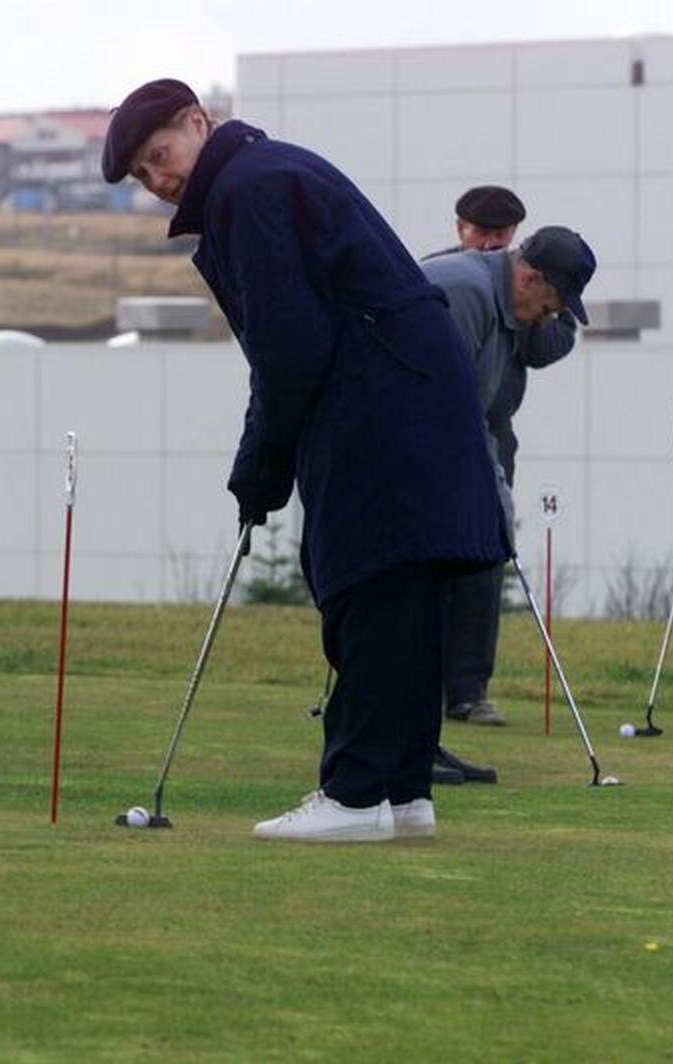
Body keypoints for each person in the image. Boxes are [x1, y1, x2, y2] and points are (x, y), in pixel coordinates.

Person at [102, 79, 508, 842]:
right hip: (405, 391)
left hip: (376, 398)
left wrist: (260, 465)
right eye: (144, 175)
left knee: (365, 582)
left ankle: (355, 793)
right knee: (404, 591)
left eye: (160, 156)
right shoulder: (266, 173)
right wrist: (270, 460)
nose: (159, 180)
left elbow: (290, 347)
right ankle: (402, 792)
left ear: (199, 121)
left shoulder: (244, 190)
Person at [423, 227, 595, 760]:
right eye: (551, 302)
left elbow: (475, 416)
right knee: (413, 599)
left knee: (438, 591)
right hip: (396, 453)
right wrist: (492, 496)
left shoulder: (502, 306)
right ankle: (404, 747)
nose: (550, 315)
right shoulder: (464, 293)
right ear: (530, 276)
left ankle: (418, 742)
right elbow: (447, 410)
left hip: (438, 449)